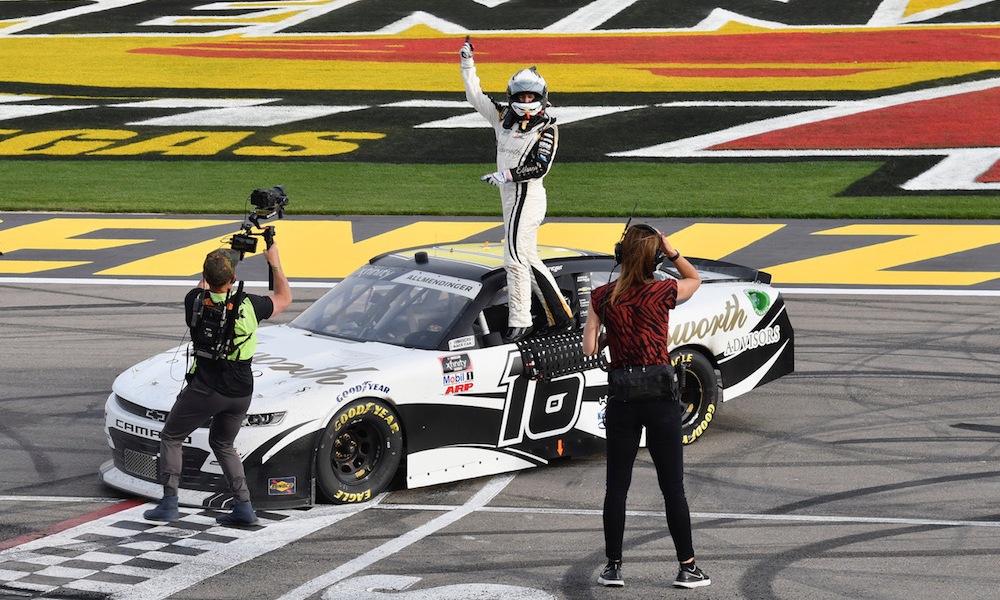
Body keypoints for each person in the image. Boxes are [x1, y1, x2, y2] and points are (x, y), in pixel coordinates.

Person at [582, 224, 710, 589]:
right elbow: (694, 278)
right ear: (653, 257)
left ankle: (613, 567)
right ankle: (687, 567)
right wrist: (672, 250)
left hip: (623, 397)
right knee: (673, 488)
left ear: (620, 256)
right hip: (660, 397)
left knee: (617, 487)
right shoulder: (663, 291)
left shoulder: (602, 296)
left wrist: (609, 330)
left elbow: (589, 349)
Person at [143, 242, 292, 525]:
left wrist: (229, 255)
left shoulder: (194, 300)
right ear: (233, 279)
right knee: (223, 443)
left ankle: (170, 502)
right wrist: (273, 261)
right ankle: (244, 507)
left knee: (171, 437)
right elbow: (284, 297)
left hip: (205, 388)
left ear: (205, 277)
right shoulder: (251, 305)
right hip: (240, 390)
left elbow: (206, 284)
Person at [460, 37, 573, 342]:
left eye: (530, 97)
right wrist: (467, 64)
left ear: (542, 97)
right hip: (510, 198)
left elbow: (540, 167)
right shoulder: (501, 118)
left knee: (513, 258)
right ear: (512, 97)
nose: (525, 103)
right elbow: (475, 96)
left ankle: (520, 322)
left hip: (528, 196)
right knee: (527, 257)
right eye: (520, 97)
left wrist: (506, 175)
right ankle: (561, 315)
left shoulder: (547, 128)